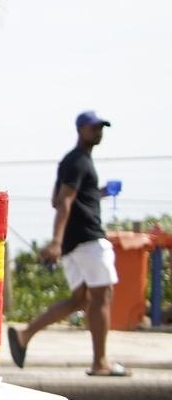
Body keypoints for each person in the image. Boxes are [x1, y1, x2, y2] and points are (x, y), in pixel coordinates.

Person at [8, 111, 129, 376]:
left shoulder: (73, 162)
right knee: (102, 296)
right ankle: (101, 363)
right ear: (80, 129)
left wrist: (99, 194)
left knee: (79, 300)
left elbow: (61, 198)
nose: (99, 132)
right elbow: (63, 202)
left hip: (75, 243)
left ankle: (24, 335)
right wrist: (55, 242)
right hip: (88, 238)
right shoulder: (78, 161)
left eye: (101, 128)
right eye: (94, 128)